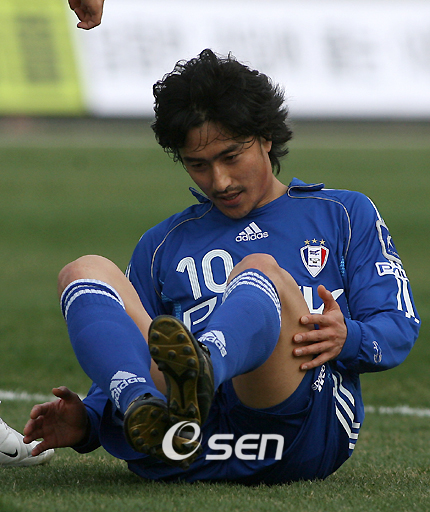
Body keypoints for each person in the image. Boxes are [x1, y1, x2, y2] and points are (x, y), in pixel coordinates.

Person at [24, 49, 420, 484]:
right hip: (181, 445)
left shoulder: (343, 213)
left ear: (266, 138)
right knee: (84, 270)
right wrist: (90, 421)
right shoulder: (163, 244)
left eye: (231, 157)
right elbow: (135, 345)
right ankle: (142, 406)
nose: (219, 181)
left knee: (259, 270)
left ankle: (203, 368)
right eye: (198, 165)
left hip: (290, 431)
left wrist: (349, 337)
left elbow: (398, 324)